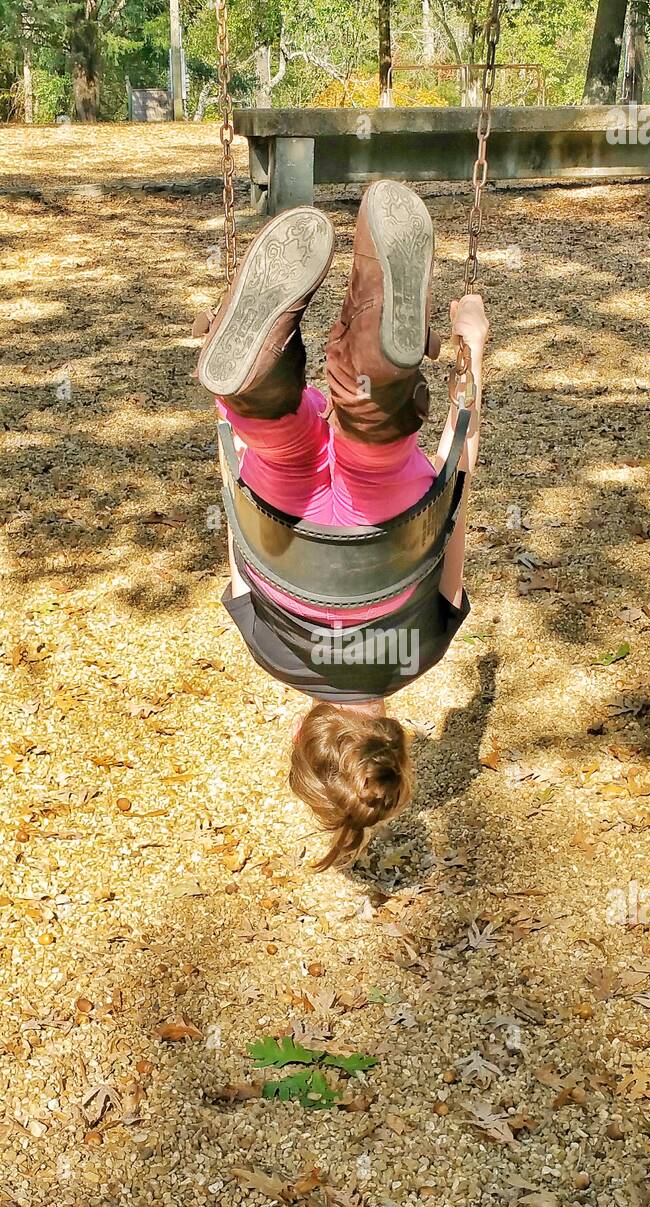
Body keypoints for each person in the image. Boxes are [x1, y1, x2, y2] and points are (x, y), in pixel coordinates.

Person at [196, 180, 488, 868]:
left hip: (382, 532)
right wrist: (224, 420)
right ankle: (257, 387)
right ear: (303, 728)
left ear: (398, 736)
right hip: (285, 525)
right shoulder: (267, 651)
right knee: (278, 440)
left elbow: (453, 503)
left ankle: (379, 379)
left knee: (375, 442)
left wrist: (473, 358)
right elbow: (239, 535)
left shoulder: (423, 653)